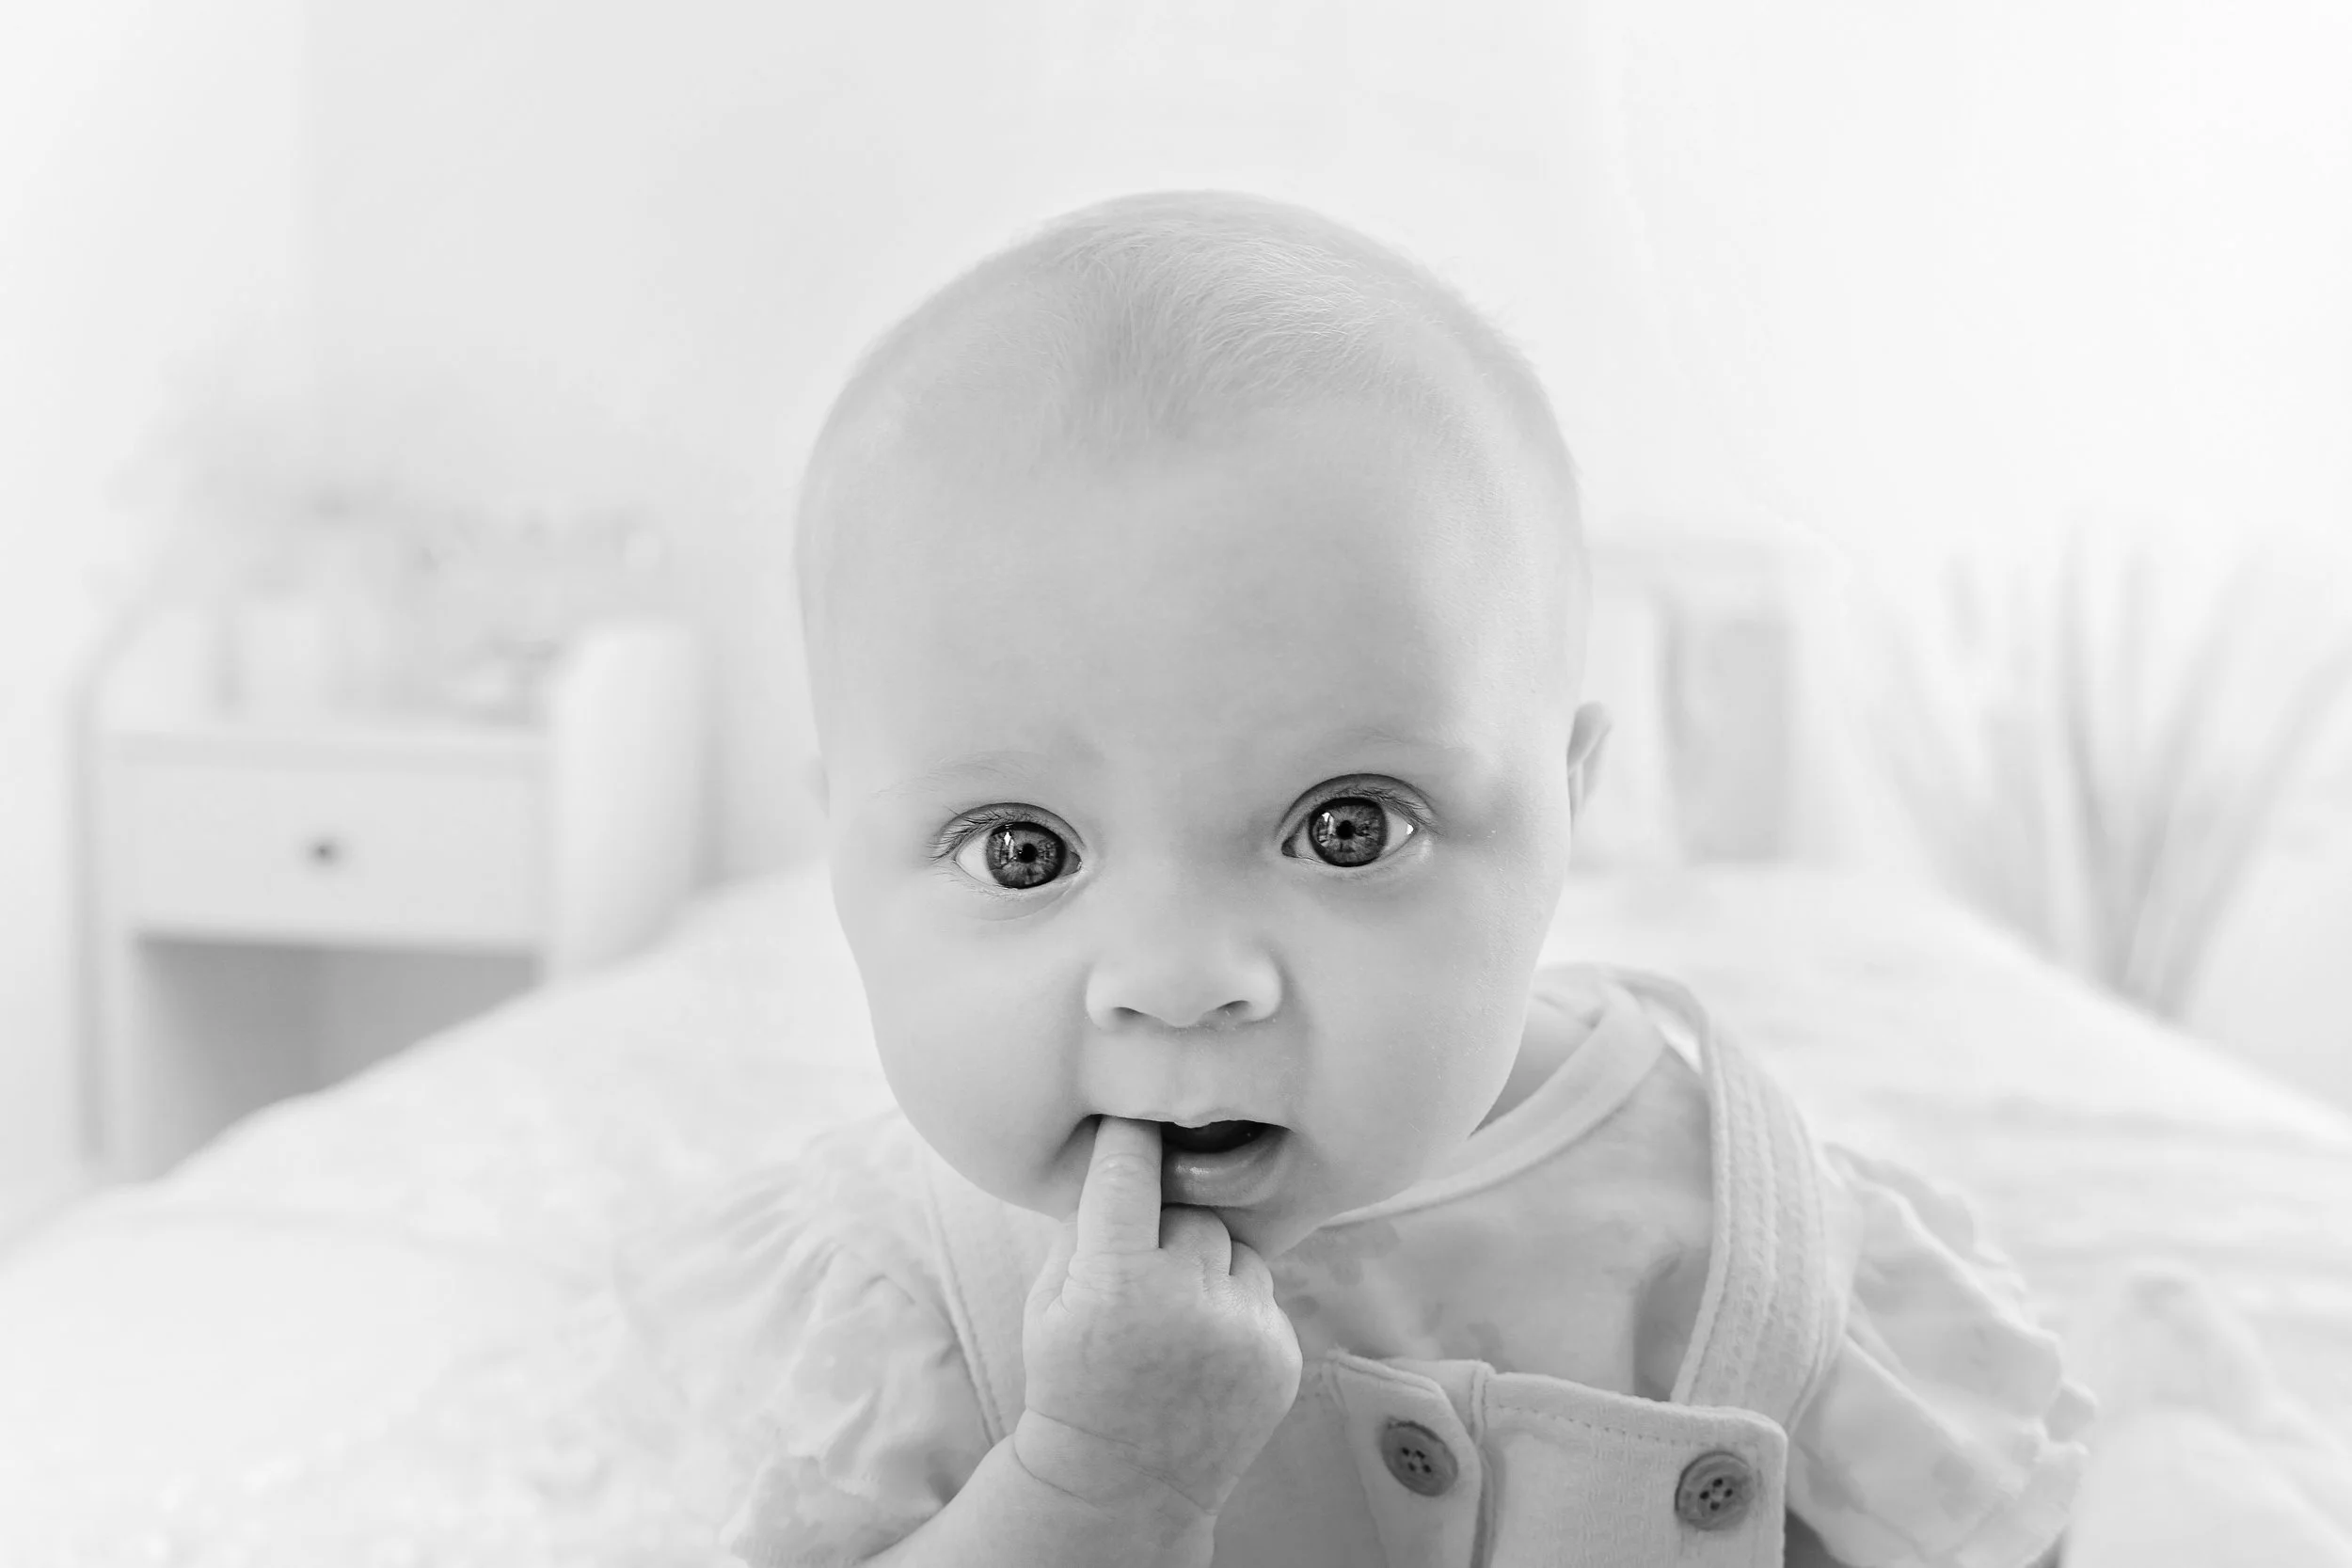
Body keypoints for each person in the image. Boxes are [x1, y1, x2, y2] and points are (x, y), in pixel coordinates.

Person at [612, 188, 2092, 1567]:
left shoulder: (1741, 1238)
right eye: (1025, 850)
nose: (1184, 975)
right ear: (846, 863)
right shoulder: (907, 1303)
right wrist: (1093, 1475)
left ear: (1567, 810)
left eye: (1348, 827)